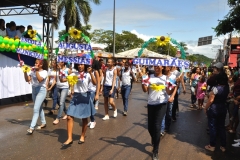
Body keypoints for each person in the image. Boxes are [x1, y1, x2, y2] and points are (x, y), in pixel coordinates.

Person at [141, 65, 175, 160]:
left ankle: (155, 151)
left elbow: (168, 92)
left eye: (158, 66)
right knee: (150, 127)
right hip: (151, 104)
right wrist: (143, 80)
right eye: (155, 66)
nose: (156, 67)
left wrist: (172, 84)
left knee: (157, 126)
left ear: (162, 67)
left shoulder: (166, 78)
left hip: (161, 105)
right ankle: (155, 138)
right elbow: (145, 90)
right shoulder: (149, 77)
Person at [62, 63, 96, 147]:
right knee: (69, 116)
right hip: (76, 97)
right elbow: (63, 80)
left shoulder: (88, 74)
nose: (80, 66)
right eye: (79, 65)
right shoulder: (74, 74)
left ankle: (82, 136)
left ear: (85, 65)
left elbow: (95, 83)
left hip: (85, 97)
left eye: (82, 65)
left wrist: (91, 73)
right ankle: (69, 138)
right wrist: (64, 74)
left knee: (84, 118)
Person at [204, 73, 229, 152]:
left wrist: (206, 108)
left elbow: (211, 100)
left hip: (214, 109)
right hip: (223, 108)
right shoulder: (227, 87)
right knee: (221, 127)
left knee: (213, 127)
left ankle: (212, 145)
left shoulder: (215, 88)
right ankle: (223, 146)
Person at [24, 59, 49, 134]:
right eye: (35, 62)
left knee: (35, 109)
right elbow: (27, 79)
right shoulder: (32, 71)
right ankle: (43, 123)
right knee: (39, 107)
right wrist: (25, 71)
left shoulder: (44, 72)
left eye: (37, 63)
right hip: (34, 89)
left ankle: (31, 127)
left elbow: (40, 80)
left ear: (41, 65)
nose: (35, 64)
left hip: (41, 90)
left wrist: (37, 70)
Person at [161, 66, 178, 136]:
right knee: (162, 114)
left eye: (166, 67)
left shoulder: (173, 77)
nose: (164, 68)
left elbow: (175, 88)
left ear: (169, 68)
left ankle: (167, 127)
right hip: (162, 98)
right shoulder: (161, 76)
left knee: (168, 113)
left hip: (169, 98)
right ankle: (162, 129)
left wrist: (172, 96)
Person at [87, 59, 100, 129]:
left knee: (90, 106)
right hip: (86, 91)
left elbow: (98, 83)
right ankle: (91, 119)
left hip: (92, 91)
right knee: (88, 106)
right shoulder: (85, 72)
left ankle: (93, 120)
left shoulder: (95, 72)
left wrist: (97, 94)